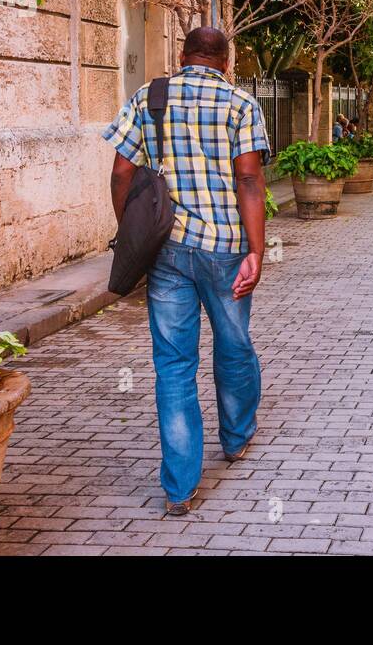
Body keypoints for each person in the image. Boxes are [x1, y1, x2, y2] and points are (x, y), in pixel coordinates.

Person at [104, 27, 270, 517]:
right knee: (234, 343)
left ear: (182, 55)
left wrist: (133, 233)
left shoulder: (149, 97)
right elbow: (249, 179)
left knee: (173, 365)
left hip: (169, 252)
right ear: (227, 61)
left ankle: (179, 487)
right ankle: (237, 437)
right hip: (226, 249)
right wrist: (256, 252)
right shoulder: (241, 105)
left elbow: (120, 172)